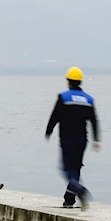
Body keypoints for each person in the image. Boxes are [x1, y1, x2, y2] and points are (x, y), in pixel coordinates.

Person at [45, 66, 100, 210]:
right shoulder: (88, 99)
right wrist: (96, 139)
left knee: (66, 170)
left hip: (67, 140)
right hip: (82, 140)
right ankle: (69, 200)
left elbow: (55, 116)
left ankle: (80, 189)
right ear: (80, 81)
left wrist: (48, 131)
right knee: (76, 168)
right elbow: (94, 120)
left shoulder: (64, 97)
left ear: (68, 81)